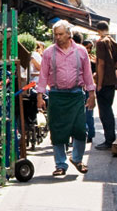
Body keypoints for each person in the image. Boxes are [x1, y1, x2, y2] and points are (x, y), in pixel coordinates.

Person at [37, 21, 96, 177]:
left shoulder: (81, 51)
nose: (58, 37)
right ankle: (60, 164)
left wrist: (92, 94)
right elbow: (43, 75)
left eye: (61, 34)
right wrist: (39, 96)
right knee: (57, 131)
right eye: (56, 34)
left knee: (80, 130)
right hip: (56, 95)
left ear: (69, 34)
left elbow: (88, 74)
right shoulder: (49, 52)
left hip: (76, 94)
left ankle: (76, 159)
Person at [93, 22, 117, 149]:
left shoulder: (101, 42)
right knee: (108, 110)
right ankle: (110, 138)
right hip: (111, 81)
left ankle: (109, 140)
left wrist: (99, 83)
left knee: (104, 112)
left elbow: (101, 64)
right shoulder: (113, 42)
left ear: (98, 30)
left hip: (104, 82)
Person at [81, 38, 97, 143]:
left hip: (89, 88)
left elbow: (95, 73)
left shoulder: (92, 60)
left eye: (90, 48)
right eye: (87, 47)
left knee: (88, 112)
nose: (89, 50)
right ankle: (85, 133)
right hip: (82, 87)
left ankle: (90, 134)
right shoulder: (81, 58)